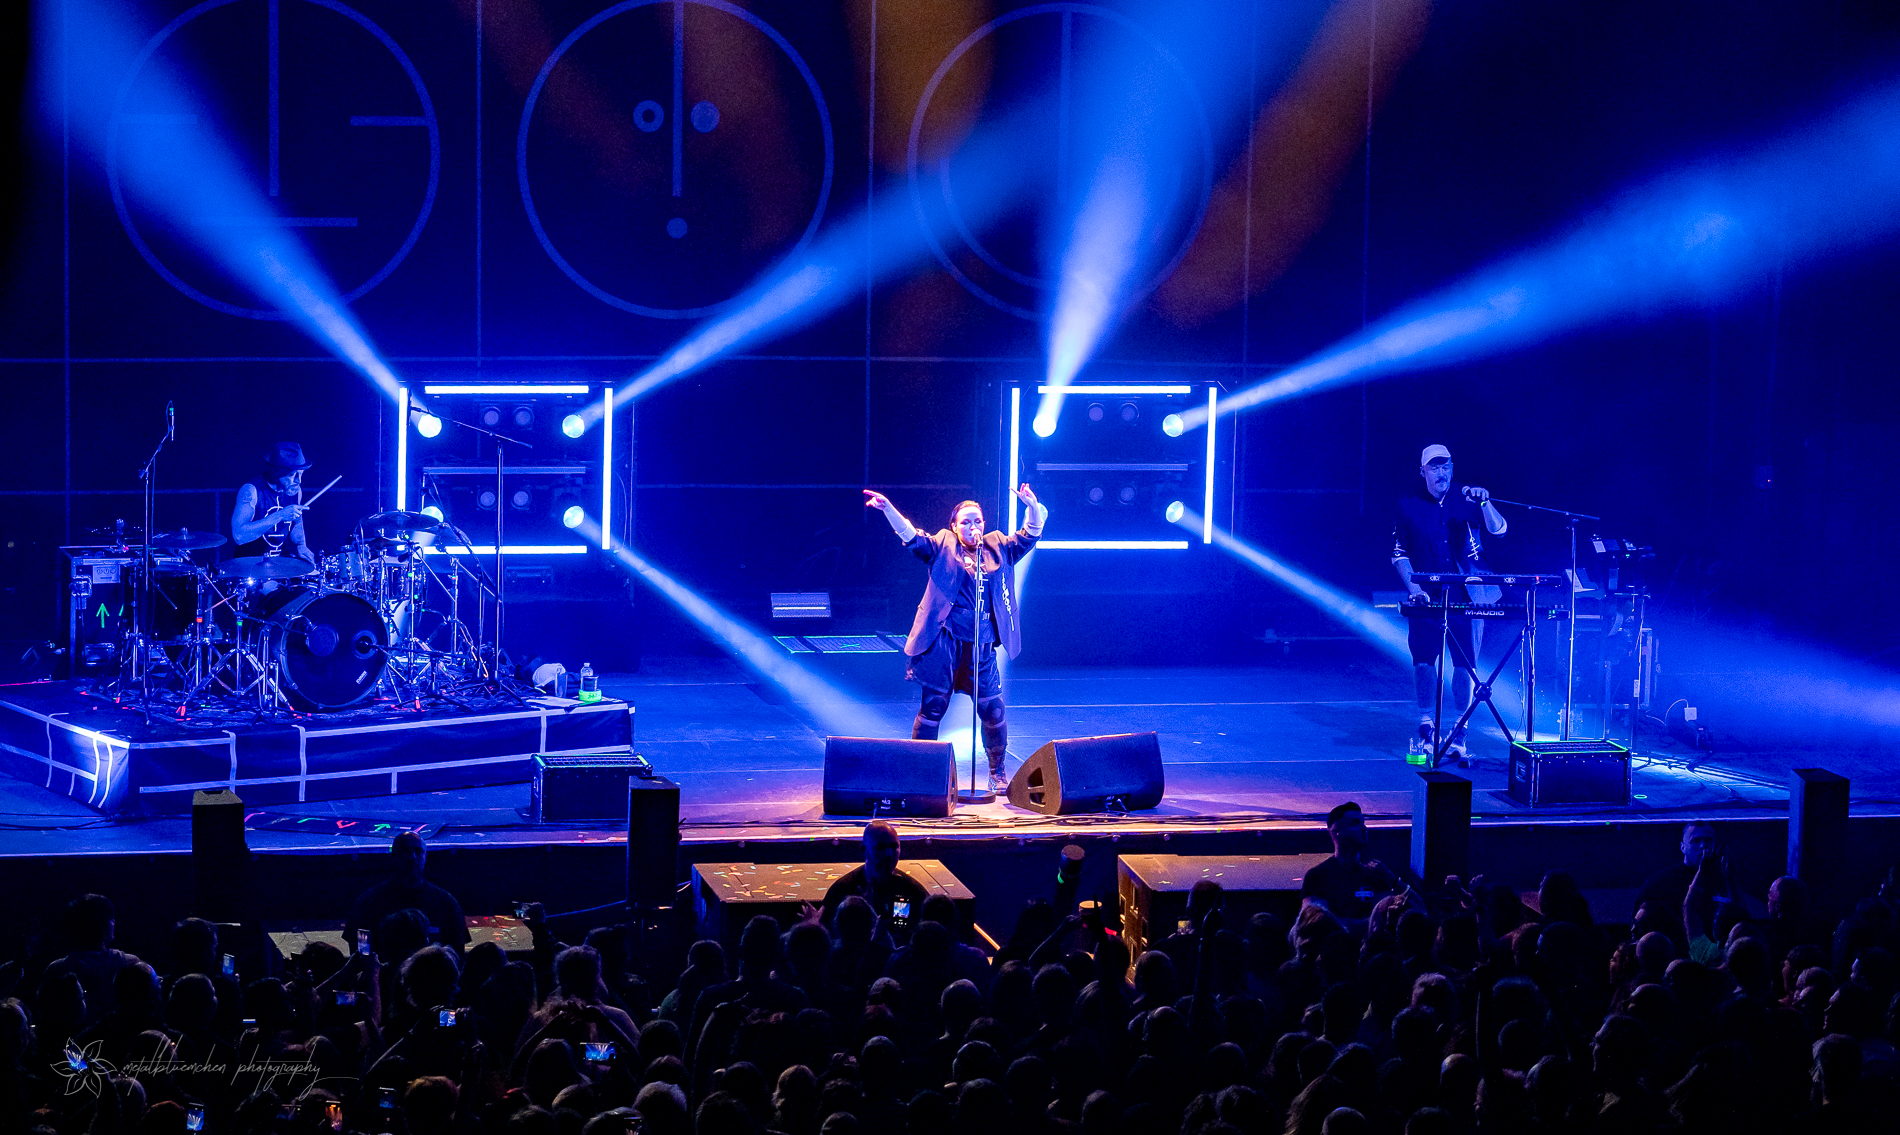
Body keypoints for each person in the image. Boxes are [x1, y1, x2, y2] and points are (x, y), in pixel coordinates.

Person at [863, 485, 1045, 794]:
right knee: (934, 707)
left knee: (993, 710)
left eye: (977, 521)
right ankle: (922, 774)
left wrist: (1033, 506)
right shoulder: (943, 545)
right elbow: (910, 536)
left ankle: (997, 773)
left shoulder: (998, 546)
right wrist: (887, 508)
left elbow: (1030, 534)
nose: (973, 527)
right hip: (944, 643)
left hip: (981, 644)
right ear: (954, 526)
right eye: (966, 522)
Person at [1392, 444, 1506, 764]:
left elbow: (1499, 530)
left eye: (1446, 467)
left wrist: (1486, 502)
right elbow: (1399, 554)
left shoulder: (1468, 499)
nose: (1441, 473)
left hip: (1468, 593)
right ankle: (1426, 725)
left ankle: (1460, 730)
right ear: (1423, 472)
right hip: (1427, 595)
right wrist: (1415, 589)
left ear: (1452, 468)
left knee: (1465, 663)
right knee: (1423, 660)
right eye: (1434, 468)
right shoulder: (1408, 505)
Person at [344, 831, 471, 955]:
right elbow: (360, 950)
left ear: (425, 856)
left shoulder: (446, 903)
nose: (412, 857)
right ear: (394, 857)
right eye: (405, 851)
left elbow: (457, 951)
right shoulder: (368, 903)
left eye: (418, 851)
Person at [1299, 802, 1402, 932]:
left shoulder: (1376, 873)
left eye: (1363, 822)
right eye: (1355, 823)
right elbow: (1313, 922)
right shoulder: (1317, 876)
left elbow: (1384, 920)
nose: (1364, 828)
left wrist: (1339, 923)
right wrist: (1368, 923)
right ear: (1336, 832)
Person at [820, 820, 930, 930]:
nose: (889, 854)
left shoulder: (912, 890)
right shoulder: (843, 889)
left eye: (894, 846)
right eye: (881, 847)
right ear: (864, 850)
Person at [231, 441, 314, 562]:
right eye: (292, 475)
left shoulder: (295, 491)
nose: (299, 480)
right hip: (249, 565)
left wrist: (300, 544)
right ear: (276, 471)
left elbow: (297, 521)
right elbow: (239, 535)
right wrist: (280, 515)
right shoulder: (252, 490)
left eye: (301, 474)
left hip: (279, 563)